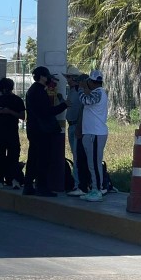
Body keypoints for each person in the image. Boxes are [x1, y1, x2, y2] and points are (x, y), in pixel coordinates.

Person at [24, 66, 68, 196]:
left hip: (33, 129)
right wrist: (64, 105)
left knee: (33, 157)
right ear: (42, 76)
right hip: (41, 131)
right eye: (47, 75)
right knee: (43, 158)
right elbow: (47, 111)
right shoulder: (39, 91)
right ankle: (42, 187)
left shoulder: (32, 90)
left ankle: (28, 185)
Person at [0, 77, 26, 189]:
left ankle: (14, 179)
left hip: (12, 130)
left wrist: (9, 111)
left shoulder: (17, 100)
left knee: (13, 156)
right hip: (0, 130)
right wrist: (0, 112)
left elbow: (23, 116)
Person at [78, 69, 108, 202]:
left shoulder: (98, 93)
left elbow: (86, 100)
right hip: (91, 133)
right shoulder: (97, 92)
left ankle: (98, 189)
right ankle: (95, 188)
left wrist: (80, 89)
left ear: (91, 81)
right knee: (92, 163)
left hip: (95, 133)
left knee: (95, 163)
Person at [63, 66, 86, 196]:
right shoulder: (72, 90)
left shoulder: (78, 91)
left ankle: (78, 184)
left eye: (68, 77)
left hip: (76, 126)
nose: (67, 80)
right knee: (76, 155)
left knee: (77, 157)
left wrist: (79, 127)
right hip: (71, 125)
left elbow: (81, 110)